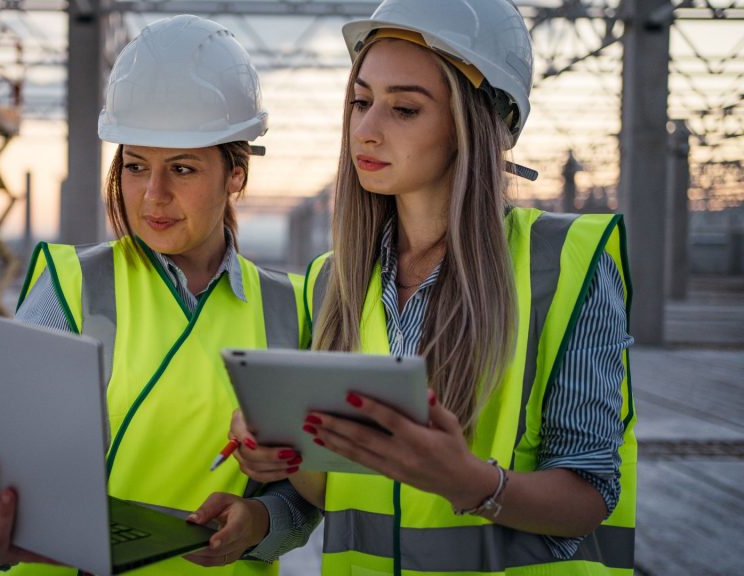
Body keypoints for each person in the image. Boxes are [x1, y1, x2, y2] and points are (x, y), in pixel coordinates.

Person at [0, 15, 320, 575]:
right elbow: (3, 458)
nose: (154, 195)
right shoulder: (72, 287)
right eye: (136, 165)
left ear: (236, 175)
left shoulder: (293, 309)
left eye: (183, 168)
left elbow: (307, 492)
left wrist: (261, 523)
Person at [231, 0, 637, 574]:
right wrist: (282, 450)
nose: (365, 130)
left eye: (404, 109)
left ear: (475, 123)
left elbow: (589, 496)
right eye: (361, 102)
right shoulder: (333, 280)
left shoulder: (563, 264)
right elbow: (332, 493)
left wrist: (468, 482)